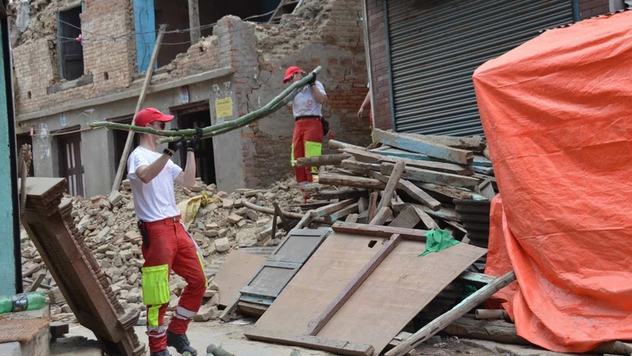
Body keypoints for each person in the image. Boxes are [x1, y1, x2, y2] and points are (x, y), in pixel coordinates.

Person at [127, 107, 205, 356]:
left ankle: (177, 330)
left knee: (198, 280)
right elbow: (146, 176)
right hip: (156, 231)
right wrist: (169, 152)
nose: (164, 130)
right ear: (150, 127)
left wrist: (191, 150)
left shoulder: (164, 159)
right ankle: (157, 347)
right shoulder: (138, 156)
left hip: (175, 225)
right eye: (160, 125)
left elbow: (189, 183)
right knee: (158, 291)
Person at [283, 66, 327, 185]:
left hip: (313, 122)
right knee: (297, 157)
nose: (290, 82)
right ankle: (303, 190)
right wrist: (294, 87)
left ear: (298, 74)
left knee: (312, 158)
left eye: (291, 78)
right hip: (298, 123)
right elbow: (286, 102)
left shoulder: (316, 84)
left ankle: (315, 186)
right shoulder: (294, 89)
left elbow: (321, 99)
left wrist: (312, 84)